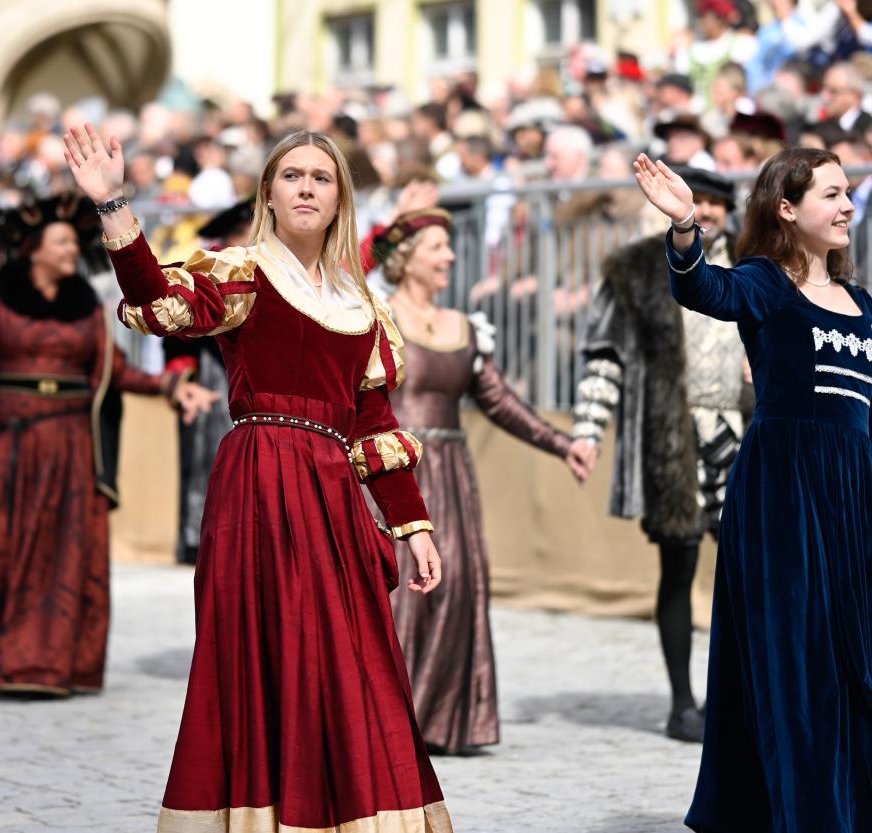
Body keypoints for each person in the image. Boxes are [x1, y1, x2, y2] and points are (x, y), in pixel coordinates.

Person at [64, 124, 453, 831]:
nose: (306, 187)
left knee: (355, 659)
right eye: (292, 175)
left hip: (333, 495)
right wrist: (113, 205)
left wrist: (413, 525)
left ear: (339, 200)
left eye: (321, 178)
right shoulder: (240, 275)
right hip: (258, 486)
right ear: (268, 193)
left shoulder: (364, 305)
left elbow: (373, 427)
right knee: (260, 656)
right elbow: (157, 301)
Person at [635, 149, 872, 831]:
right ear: (787, 208)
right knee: (796, 661)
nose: (847, 205)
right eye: (831, 193)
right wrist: (685, 223)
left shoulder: (863, 304)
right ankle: (805, 812)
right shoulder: (767, 283)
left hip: (854, 494)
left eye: (849, 191)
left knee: (855, 655)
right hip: (783, 494)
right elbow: (704, 290)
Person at [0, 195, 215, 695]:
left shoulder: (87, 310)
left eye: (75, 241)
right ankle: (10, 663)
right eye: (61, 241)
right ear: (33, 249)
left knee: (66, 557)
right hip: (9, 448)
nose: (72, 248)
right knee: (6, 551)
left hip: (72, 449)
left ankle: (55, 666)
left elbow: (115, 371)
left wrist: (170, 386)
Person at [371, 206, 593, 755]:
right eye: (437, 247)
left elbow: (499, 402)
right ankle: (383, 720)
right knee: (396, 598)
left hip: (452, 478)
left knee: (455, 591)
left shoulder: (463, 327)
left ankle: (440, 721)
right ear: (405, 258)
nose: (449, 256)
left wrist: (562, 444)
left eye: (449, 246)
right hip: (395, 476)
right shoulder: (375, 317)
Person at [573, 167, 747, 743]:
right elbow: (603, 356)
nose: (712, 212)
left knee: (753, 568)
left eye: (719, 203)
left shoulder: (758, 263)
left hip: (743, 430)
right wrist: (587, 430)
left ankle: (751, 694)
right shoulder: (635, 269)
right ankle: (682, 704)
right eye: (702, 202)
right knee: (679, 567)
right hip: (670, 434)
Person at [163, 197, 253, 564]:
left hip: (253, 389)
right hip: (215, 385)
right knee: (207, 466)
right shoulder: (209, 276)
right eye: (245, 235)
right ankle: (198, 540)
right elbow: (175, 333)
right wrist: (185, 383)